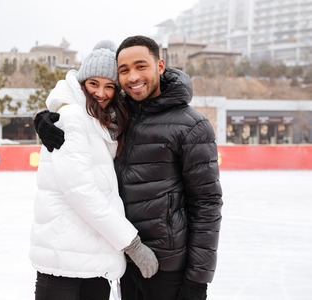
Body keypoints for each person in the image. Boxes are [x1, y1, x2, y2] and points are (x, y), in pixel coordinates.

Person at [34, 35, 223, 300]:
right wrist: (49, 116)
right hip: (122, 259)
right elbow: (78, 101)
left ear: (160, 66)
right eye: (124, 70)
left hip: (168, 266)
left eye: (141, 66)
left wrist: (198, 281)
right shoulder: (119, 116)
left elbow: (207, 205)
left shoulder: (192, 125)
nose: (133, 76)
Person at [29, 40, 159, 300]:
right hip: (65, 259)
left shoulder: (103, 122)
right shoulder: (74, 117)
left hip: (91, 255)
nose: (101, 93)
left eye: (109, 86)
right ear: (81, 83)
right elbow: (81, 191)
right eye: (93, 84)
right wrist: (131, 244)